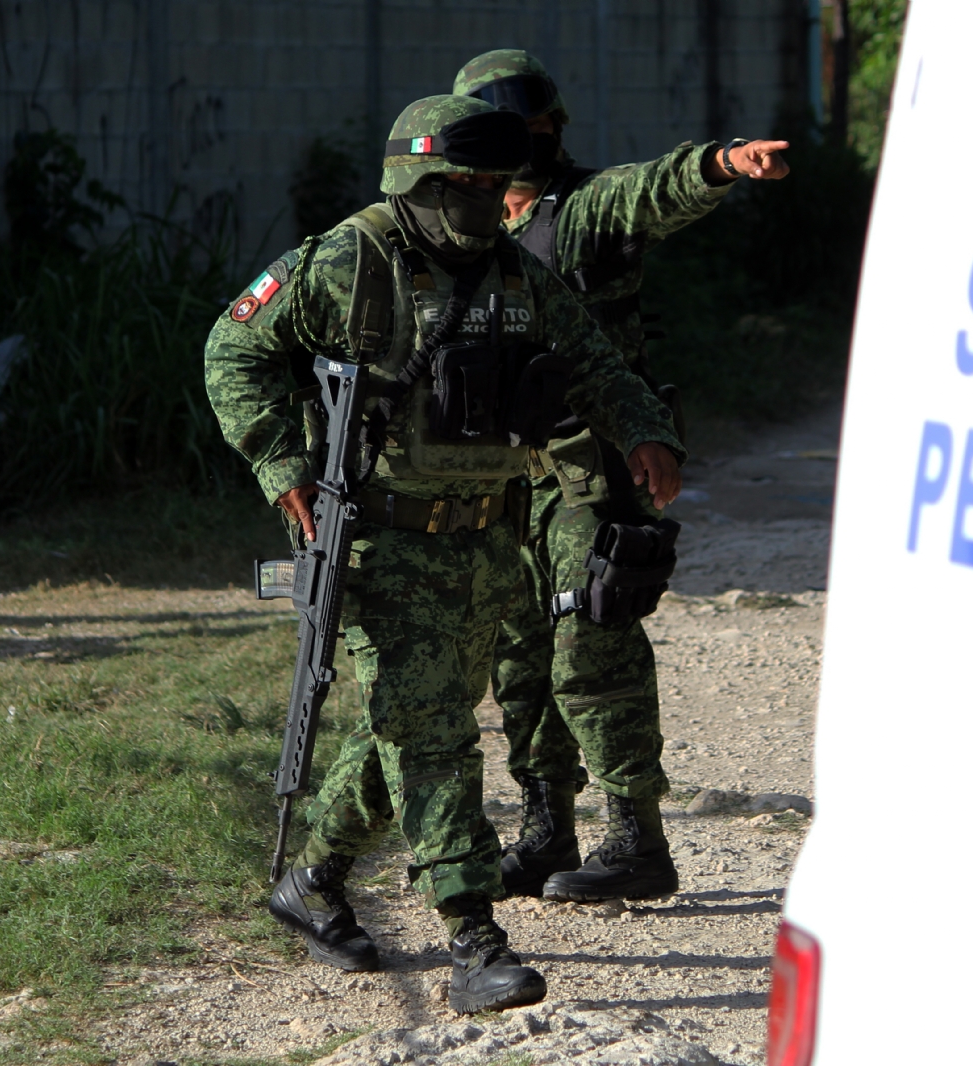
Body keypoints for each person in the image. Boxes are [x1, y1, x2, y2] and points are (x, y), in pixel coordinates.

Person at [203, 94, 685, 1013]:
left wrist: (644, 433)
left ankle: (313, 879)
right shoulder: (350, 259)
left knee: (410, 720)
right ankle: (473, 938)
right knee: (433, 738)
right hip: (381, 543)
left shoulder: (513, 272)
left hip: (485, 543)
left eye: (494, 185)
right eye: (461, 185)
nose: (480, 203)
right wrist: (281, 464)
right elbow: (233, 347)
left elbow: (594, 360)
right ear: (417, 180)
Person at [449, 50, 790, 901]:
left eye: (540, 128)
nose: (530, 143)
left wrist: (721, 163)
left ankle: (637, 838)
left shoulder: (582, 212)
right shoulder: (456, 225)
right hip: (499, 479)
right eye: (511, 131)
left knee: (589, 636)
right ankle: (545, 830)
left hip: (590, 472)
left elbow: (651, 188)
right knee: (520, 658)